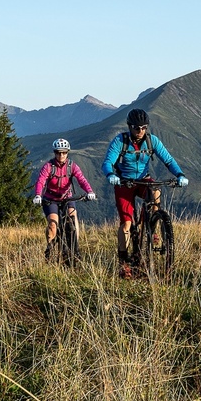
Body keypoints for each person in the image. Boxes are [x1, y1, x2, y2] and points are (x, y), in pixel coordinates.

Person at [101, 108, 188, 278]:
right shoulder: (120, 141)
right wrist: (110, 174)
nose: (140, 131)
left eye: (144, 127)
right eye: (136, 127)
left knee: (155, 190)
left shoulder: (151, 141)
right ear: (129, 126)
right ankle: (124, 262)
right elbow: (107, 162)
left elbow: (168, 160)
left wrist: (180, 174)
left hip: (143, 180)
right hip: (124, 182)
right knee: (126, 224)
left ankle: (151, 228)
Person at [33, 138, 96, 260]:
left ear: (67, 152)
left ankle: (75, 247)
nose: (61, 155)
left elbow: (81, 180)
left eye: (64, 152)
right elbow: (40, 181)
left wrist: (89, 191)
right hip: (50, 199)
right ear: (54, 152)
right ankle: (50, 250)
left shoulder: (72, 166)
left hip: (67, 197)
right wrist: (38, 195)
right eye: (58, 152)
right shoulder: (48, 166)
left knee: (73, 217)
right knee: (53, 224)